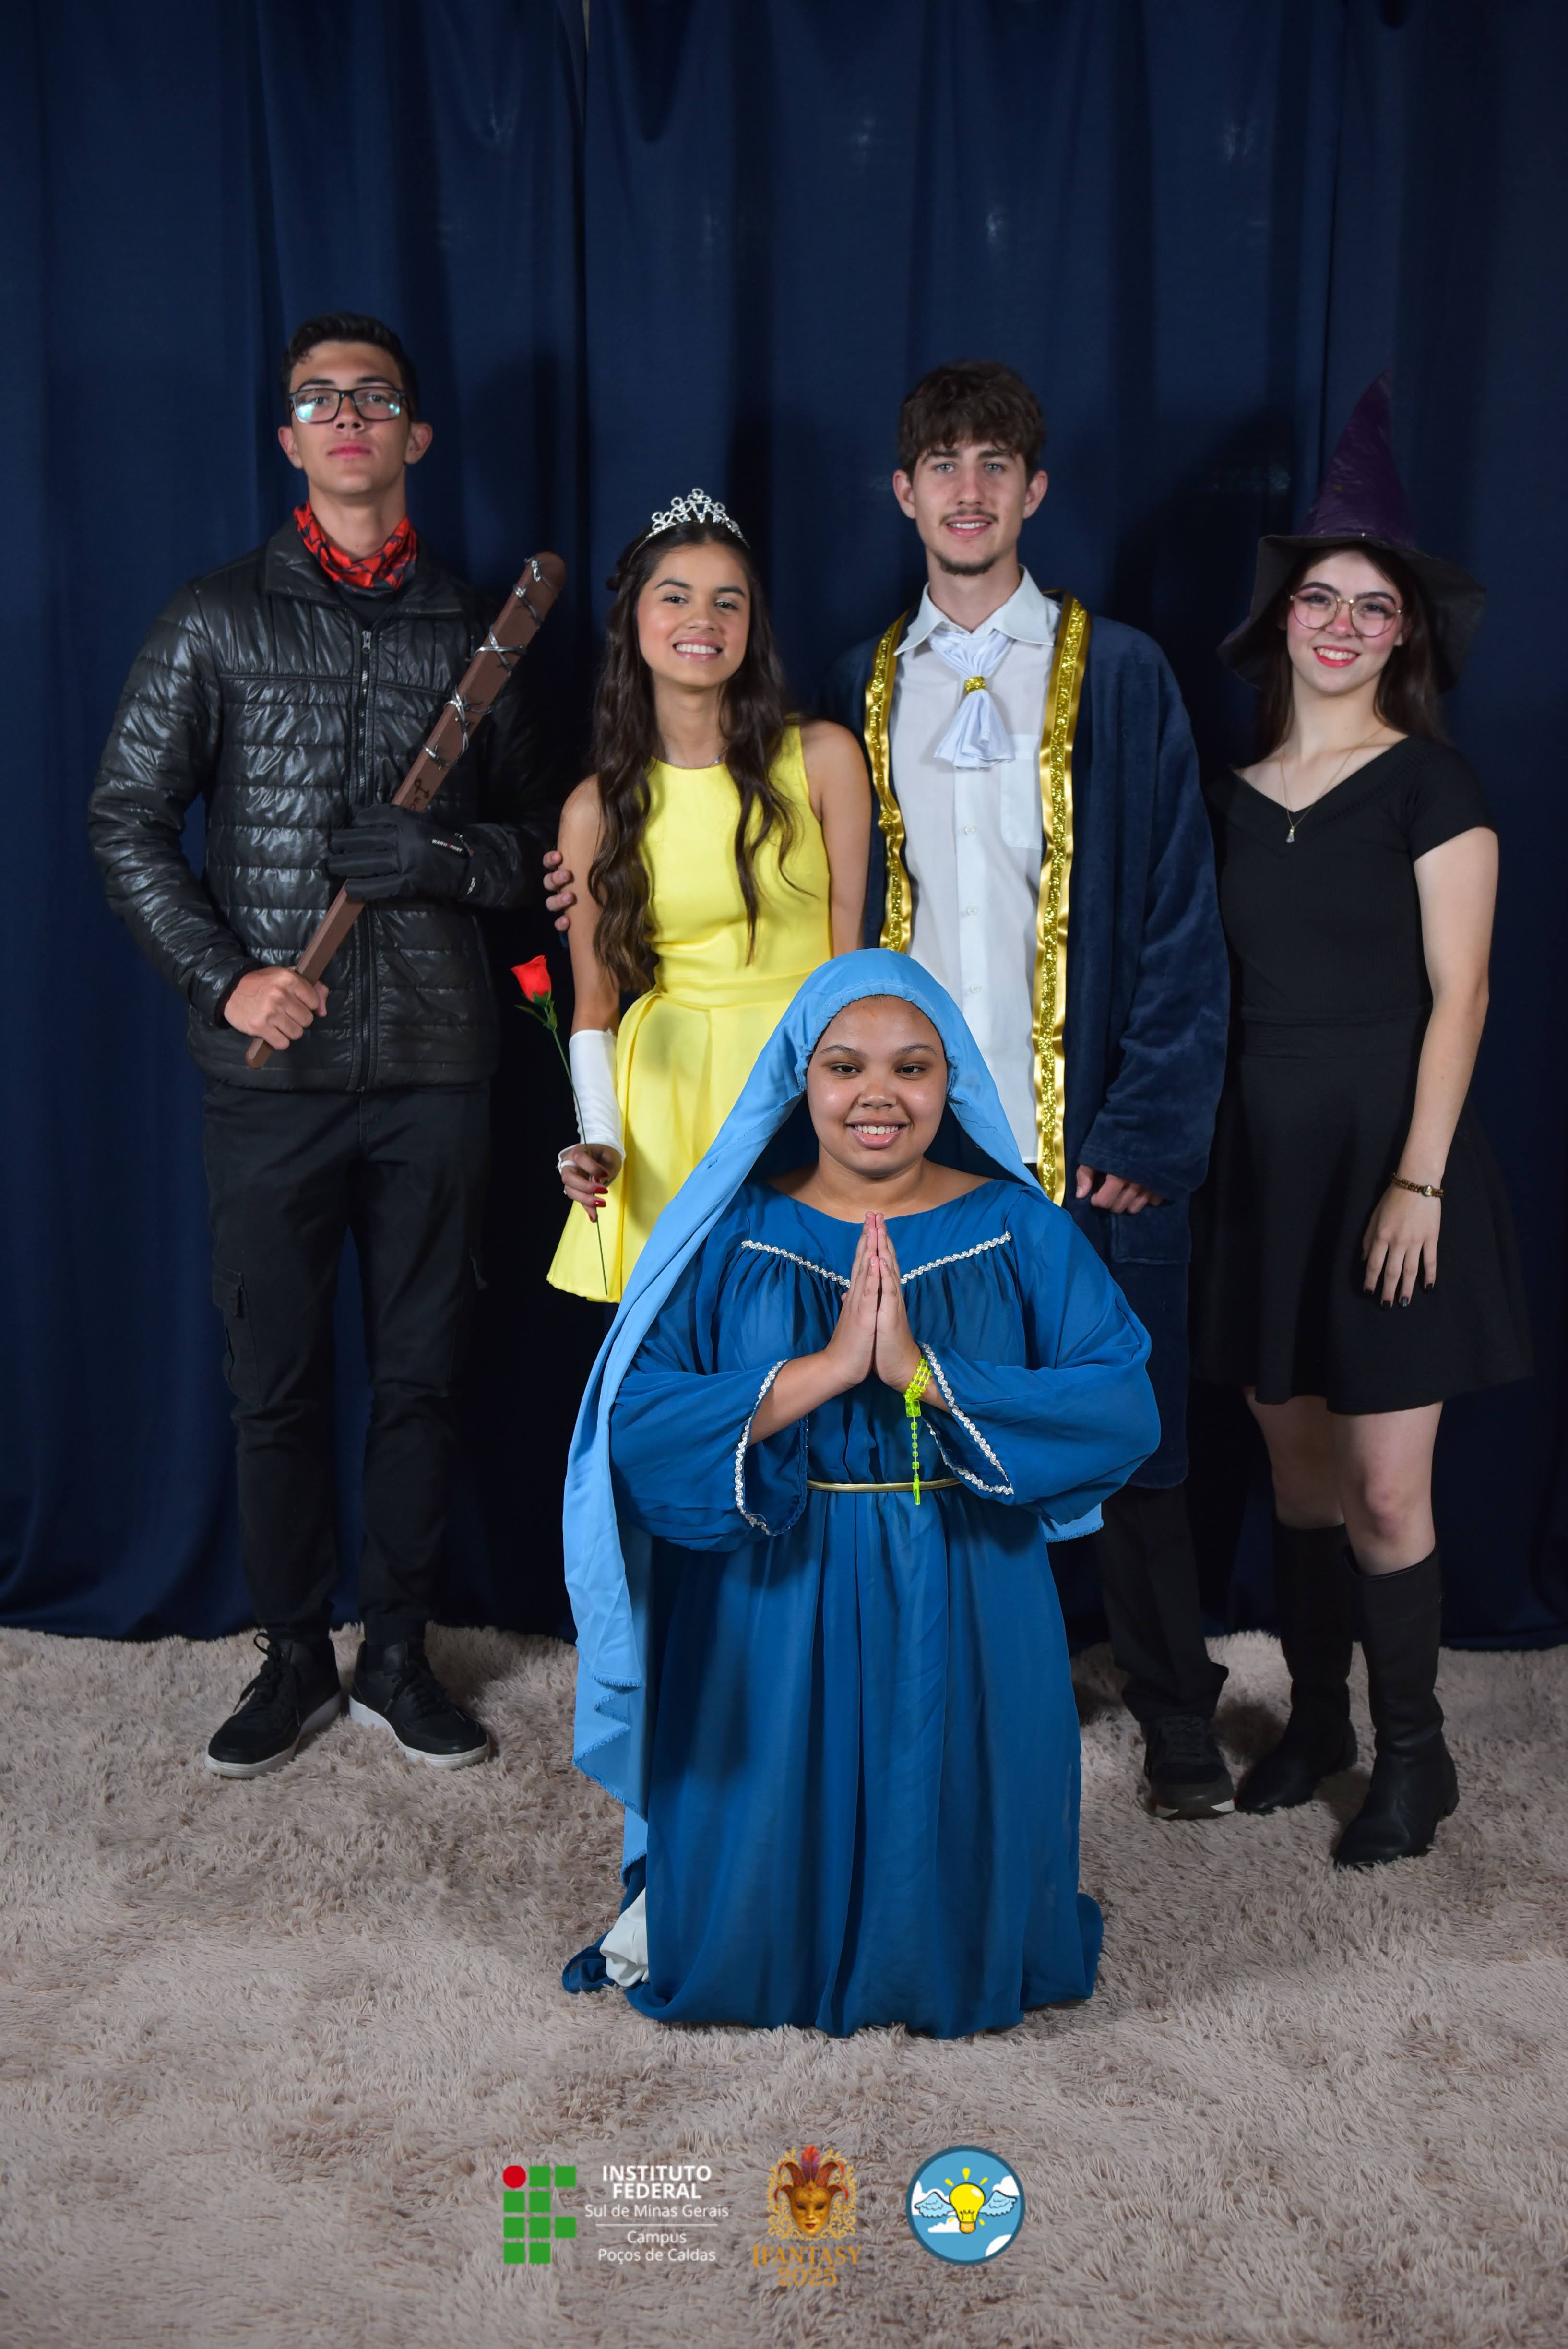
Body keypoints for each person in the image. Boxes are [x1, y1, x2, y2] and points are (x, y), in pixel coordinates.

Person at [88, 311, 555, 1778]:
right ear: (289, 438)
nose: (347, 417)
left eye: (373, 397)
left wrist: (443, 863)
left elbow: (542, 845)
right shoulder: (213, 617)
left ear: (415, 435)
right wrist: (226, 980)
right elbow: (124, 819)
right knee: (273, 1383)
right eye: (319, 399)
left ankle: (395, 1653)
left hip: (437, 1066)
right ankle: (293, 1652)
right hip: (271, 1079)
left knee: (422, 1376)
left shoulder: (480, 630)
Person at [558, 953, 1159, 2035]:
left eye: (911, 1067)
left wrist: (923, 1374)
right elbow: (636, 1428)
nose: (878, 1094)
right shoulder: (731, 1229)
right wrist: (828, 1371)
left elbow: (1119, 1404)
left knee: (951, 1785)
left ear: (951, 1082)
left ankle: (929, 1959)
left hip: (966, 1579)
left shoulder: (1018, 1227)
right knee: (768, 1821)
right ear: (800, 1079)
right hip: (770, 1591)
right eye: (845, 1066)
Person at [816, 361, 1233, 1821]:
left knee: (1133, 1421)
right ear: (902, 492)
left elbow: (1179, 912)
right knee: (935, 1406)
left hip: (1096, 1129)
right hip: (927, 1140)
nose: (969, 489)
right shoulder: (860, 686)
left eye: (995, 464)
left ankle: (1175, 1711)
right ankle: (975, 1695)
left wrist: (1151, 1122)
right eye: (942, 464)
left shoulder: (1119, 672)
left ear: (1034, 491)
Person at [1193, 373, 1531, 1866]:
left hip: (1394, 1172)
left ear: (1404, 636)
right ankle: (1316, 1723)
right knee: (1299, 1479)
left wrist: (1420, 1180)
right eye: (1319, 598)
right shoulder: (1226, 793)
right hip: (1264, 1169)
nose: (1340, 624)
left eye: (1371, 607)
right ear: (1282, 620)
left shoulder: (1429, 785)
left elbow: (1462, 995)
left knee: (1390, 1489)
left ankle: (1414, 1756)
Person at [546, 490, 869, 1301]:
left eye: (729, 601)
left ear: (752, 626)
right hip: (667, 1096)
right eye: (676, 597)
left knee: (812, 1323)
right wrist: (599, 1139)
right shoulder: (593, 810)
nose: (704, 619)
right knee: (684, 1340)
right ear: (635, 621)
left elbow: (852, 962)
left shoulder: (825, 759)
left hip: (799, 1079)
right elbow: (594, 1009)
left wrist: (850, 1095)